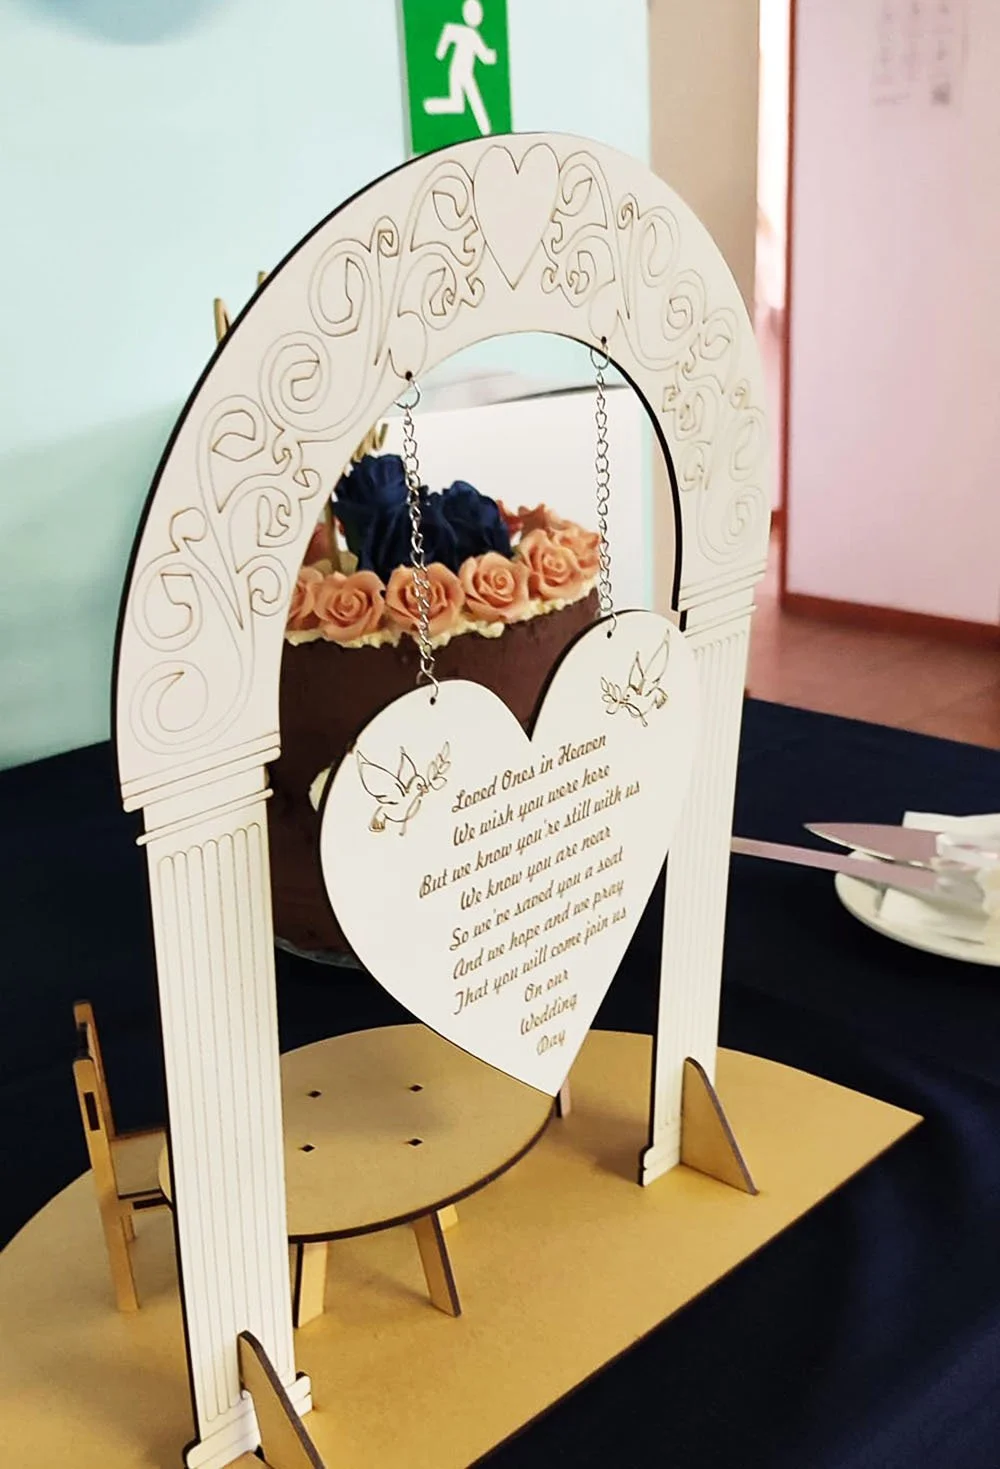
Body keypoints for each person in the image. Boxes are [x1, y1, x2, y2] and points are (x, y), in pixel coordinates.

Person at [423, 0, 497, 137]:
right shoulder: (470, 34)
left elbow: (448, 32)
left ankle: (431, 105)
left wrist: (441, 52)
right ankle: (486, 130)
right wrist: (440, 52)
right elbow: (485, 57)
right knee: (473, 98)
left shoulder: (466, 32)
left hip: (458, 72)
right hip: (462, 73)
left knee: (458, 104)